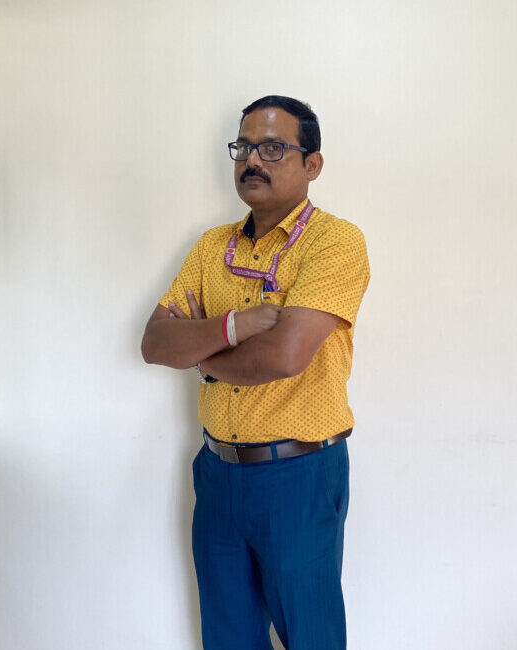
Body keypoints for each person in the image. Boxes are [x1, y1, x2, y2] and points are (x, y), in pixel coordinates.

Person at [141, 95, 370, 650]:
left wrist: (198, 354)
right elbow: (154, 342)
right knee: (228, 635)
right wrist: (234, 326)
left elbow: (285, 356)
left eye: (273, 147)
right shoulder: (210, 247)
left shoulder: (334, 242)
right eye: (244, 146)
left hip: (299, 474)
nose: (253, 160)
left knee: (309, 635)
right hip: (217, 474)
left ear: (311, 164)